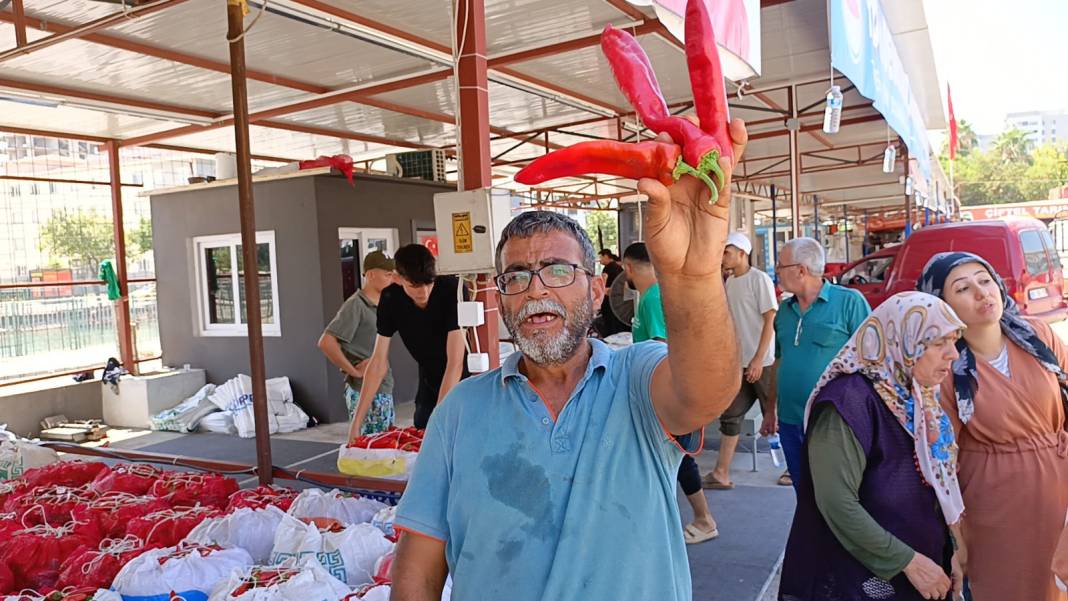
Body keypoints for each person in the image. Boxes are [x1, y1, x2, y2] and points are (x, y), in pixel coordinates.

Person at [389, 118, 747, 601]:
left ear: (598, 291)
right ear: (501, 298)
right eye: (516, 277)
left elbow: (708, 391)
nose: (536, 290)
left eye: (558, 270)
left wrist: (695, 275)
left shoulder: (636, 378)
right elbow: (420, 559)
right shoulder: (460, 411)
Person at [779, 291, 966, 601]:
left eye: (954, 340)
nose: (954, 354)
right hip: (854, 580)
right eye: (938, 343)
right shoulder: (847, 402)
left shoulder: (916, 396)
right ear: (901, 341)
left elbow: (935, 486)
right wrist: (909, 562)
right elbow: (837, 503)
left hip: (920, 572)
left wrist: (951, 551)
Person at [918, 252, 1068, 601]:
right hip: (993, 505)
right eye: (963, 288)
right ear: (942, 305)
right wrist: (955, 536)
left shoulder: (1038, 336)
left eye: (984, 280)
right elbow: (942, 461)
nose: (981, 293)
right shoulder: (946, 366)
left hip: (1057, 492)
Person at [623, 241, 719, 544]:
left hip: (664, 392)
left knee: (679, 458)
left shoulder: (653, 298)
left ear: (627, 267)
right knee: (664, 460)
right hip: (662, 390)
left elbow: (660, 350)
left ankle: (704, 520)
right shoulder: (654, 295)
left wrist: (661, 399)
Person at [774, 237, 870, 489]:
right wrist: (769, 409)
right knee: (802, 490)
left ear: (801, 270)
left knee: (835, 493)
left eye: (780, 266)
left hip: (832, 421)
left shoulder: (849, 302)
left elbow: (872, 361)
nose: (776, 272)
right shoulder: (784, 310)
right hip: (789, 420)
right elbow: (779, 360)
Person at [349, 244, 468, 439]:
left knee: (455, 435)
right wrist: (356, 423)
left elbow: (454, 363)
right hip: (428, 378)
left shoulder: (452, 290)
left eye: (429, 284)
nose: (424, 292)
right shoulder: (390, 299)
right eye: (414, 285)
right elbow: (378, 362)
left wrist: (438, 421)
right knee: (421, 433)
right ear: (398, 278)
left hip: (463, 378)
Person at [703, 232, 778, 490]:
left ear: (742, 254)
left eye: (727, 252)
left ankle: (798, 469)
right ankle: (721, 473)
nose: (723, 257)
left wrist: (758, 359)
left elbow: (770, 320)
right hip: (740, 363)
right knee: (731, 414)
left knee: (779, 416)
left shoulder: (760, 280)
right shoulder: (730, 282)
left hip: (763, 363)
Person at [318, 251, 396, 434]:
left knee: (384, 446)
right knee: (369, 449)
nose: (392, 278)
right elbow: (326, 342)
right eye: (387, 274)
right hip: (364, 390)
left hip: (383, 386)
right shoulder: (356, 305)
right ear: (370, 275)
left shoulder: (383, 304)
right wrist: (352, 370)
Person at [593, 248, 629, 337]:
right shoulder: (618, 267)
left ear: (606, 256)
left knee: (610, 324)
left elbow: (603, 282)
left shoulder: (608, 268)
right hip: (619, 302)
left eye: (601, 258)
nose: (600, 260)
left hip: (609, 302)